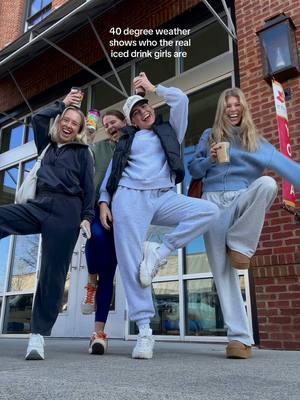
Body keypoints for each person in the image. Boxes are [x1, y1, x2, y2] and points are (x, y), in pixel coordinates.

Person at [99, 72, 220, 359]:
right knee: (129, 262)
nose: (144, 111)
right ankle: (144, 332)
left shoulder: (170, 131)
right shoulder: (126, 142)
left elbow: (181, 100)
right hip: (129, 197)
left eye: (146, 106)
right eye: (137, 112)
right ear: (131, 121)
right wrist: (104, 200)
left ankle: (159, 251)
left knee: (209, 211)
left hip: (164, 195)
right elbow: (111, 174)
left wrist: (154, 88)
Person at [188, 87, 300, 359]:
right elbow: (193, 169)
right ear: (222, 109)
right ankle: (239, 339)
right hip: (212, 203)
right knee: (222, 273)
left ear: (244, 108)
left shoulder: (257, 142)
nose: (233, 109)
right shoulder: (209, 136)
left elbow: (289, 168)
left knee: (267, 183)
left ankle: (240, 243)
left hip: (242, 198)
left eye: (237, 104)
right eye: (228, 105)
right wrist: (208, 159)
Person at [0, 90, 95, 360]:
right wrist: (63, 103)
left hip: (67, 212)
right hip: (39, 204)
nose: (68, 125)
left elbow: (89, 189)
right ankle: (38, 334)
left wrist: (86, 216)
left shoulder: (82, 153)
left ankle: (38, 336)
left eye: (74, 124)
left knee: (52, 273)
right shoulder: (47, 145)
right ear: (61, 121)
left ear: (78, 130)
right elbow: (40, 118)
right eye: (66, 120)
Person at [81, 110, 126, 355]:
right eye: (106, 124)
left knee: (109, 273)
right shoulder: (97, 148)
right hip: (98, 207)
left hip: (125, 214)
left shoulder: (133, 144)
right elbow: (81, 158)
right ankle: (90, 282)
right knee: (94, 236)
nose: (109, 126)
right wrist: (87, 137)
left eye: (113, 122)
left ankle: (98, 334)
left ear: (124, 123)